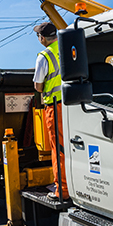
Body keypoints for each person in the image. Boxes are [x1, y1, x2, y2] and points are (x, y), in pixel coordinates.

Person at [33, 22, 69, 201]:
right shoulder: (68, 48)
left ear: (42, 38)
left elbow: (38, 87)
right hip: (74, 104)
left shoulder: (44, 56)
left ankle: (61, 190)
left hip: (55, 107)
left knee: (58, 149)